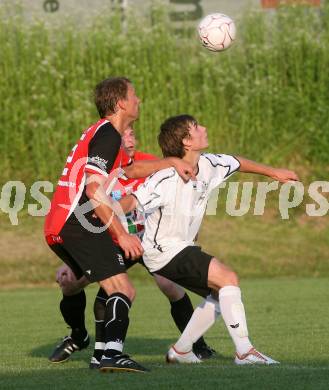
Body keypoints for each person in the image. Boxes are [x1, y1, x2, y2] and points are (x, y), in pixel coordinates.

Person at [118, 114, 299, 365]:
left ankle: (181, 350)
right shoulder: (165, 176)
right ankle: (245, 352)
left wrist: (274, 172)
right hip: (163, 251)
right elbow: (129, 203)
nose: (203, 128)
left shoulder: (209, 163)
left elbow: (237, 162)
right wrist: (105, 216)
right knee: (228, 278)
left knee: (220, 291)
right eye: (196, 127)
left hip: (182, 247)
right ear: (186, 142)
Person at [44, 78, 194, 373]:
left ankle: (100, 352)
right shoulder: (109, 134)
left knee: (100, 285)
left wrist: (171, 162)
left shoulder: (100, 133)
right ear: (121, 102)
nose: (138, 99)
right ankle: (112, 354)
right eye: (134, 95)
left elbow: (126, 171)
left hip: (63, 222)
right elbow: (93, 190)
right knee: (122, 288)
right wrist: (122, 235)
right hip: (77, 221)